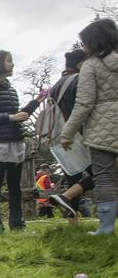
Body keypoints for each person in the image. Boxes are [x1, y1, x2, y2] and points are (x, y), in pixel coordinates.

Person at [60, 18, 118, 236]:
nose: (84, 48)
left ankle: (105, 228)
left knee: (104, 176)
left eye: (85, 44)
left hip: (101, 129)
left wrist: (68, 133)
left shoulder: (91, 66)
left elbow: (84, 103)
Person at [0, 50, 44, 231]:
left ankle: (17, 225)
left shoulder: (11, 89)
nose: (12, 64)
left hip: (16, 141)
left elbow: (19, 115)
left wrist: (36, 101)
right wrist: (11, 118)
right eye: (9, 61)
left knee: (15, 188)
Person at [45, 49, 92, 225]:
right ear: (81, 63)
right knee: (104, 174)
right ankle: (65, 196)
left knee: (73, 177)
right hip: (78, 135)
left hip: (58, 139)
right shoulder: (78, 80)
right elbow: (84, 107)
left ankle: (73, 223)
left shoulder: (55, 87)